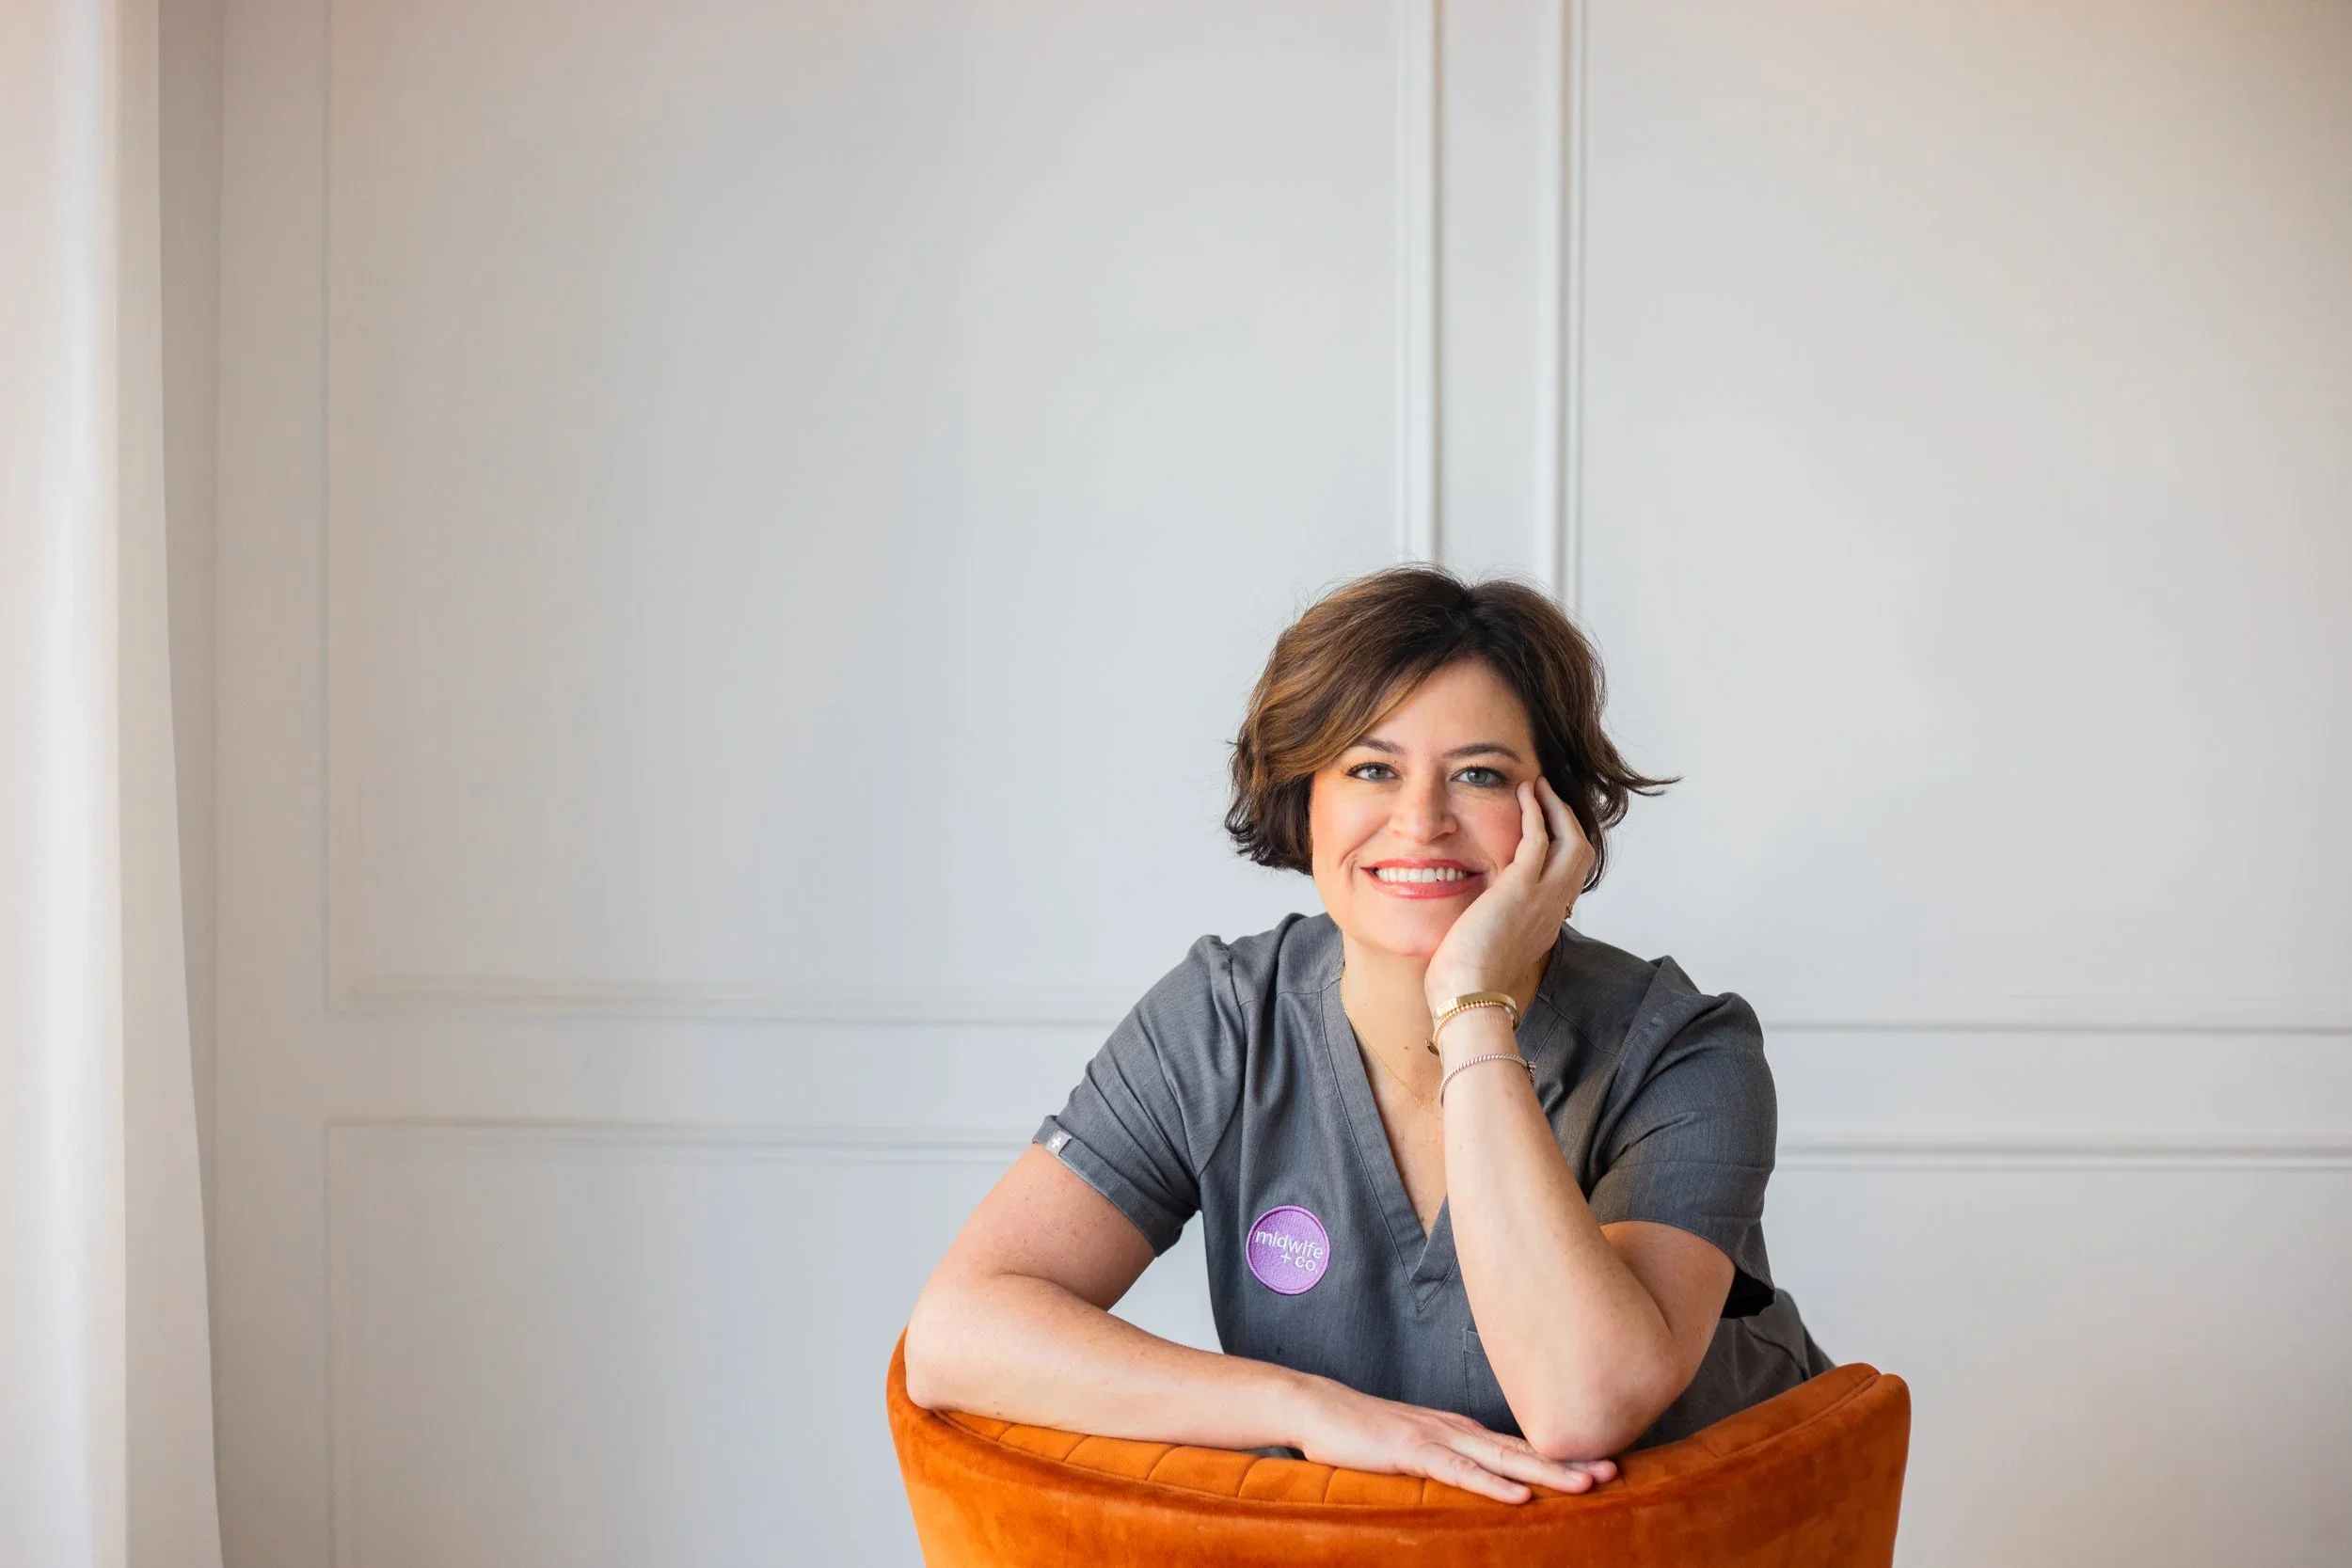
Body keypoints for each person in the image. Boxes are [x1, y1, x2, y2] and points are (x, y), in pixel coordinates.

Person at [902, 565, 1831, 1504]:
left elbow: (1578, 1405)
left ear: (1553, 816)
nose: (1421, 820)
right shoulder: (1225, 1016)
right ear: (1304, 799)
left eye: (1478, 773)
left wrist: (1470, 1002)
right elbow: (957, 1331)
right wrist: (1306, 1407)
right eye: (1370, 768)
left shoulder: (1684, 1051)